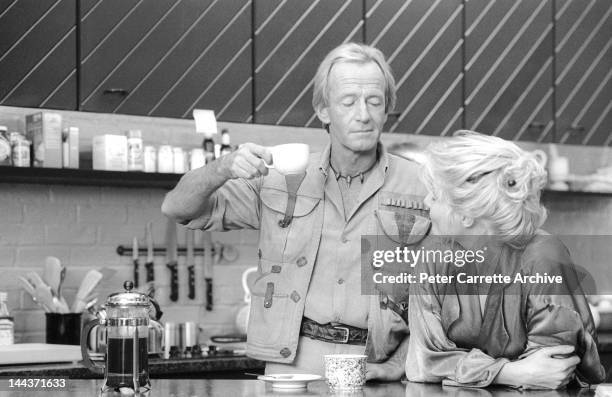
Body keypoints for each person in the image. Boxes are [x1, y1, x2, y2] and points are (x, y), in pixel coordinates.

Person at [161, 42, 430, 378]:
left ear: (387, 107)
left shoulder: (422, 187)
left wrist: (398, 364)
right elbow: (179, 208)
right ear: (323, 110)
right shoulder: (279, 180)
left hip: (377, 367)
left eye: (374, 101)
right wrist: (223, 168)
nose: (363, 114)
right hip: (293, 364)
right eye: (348, 102)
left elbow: (447, 295)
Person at [405, 131, 606, 389]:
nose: (425, 202)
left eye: (435, 195)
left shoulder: (543, 257)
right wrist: (509, 373)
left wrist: (463, 369)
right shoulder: (432, 257)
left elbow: (552, 371)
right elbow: (422, 361)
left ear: (465, 214)